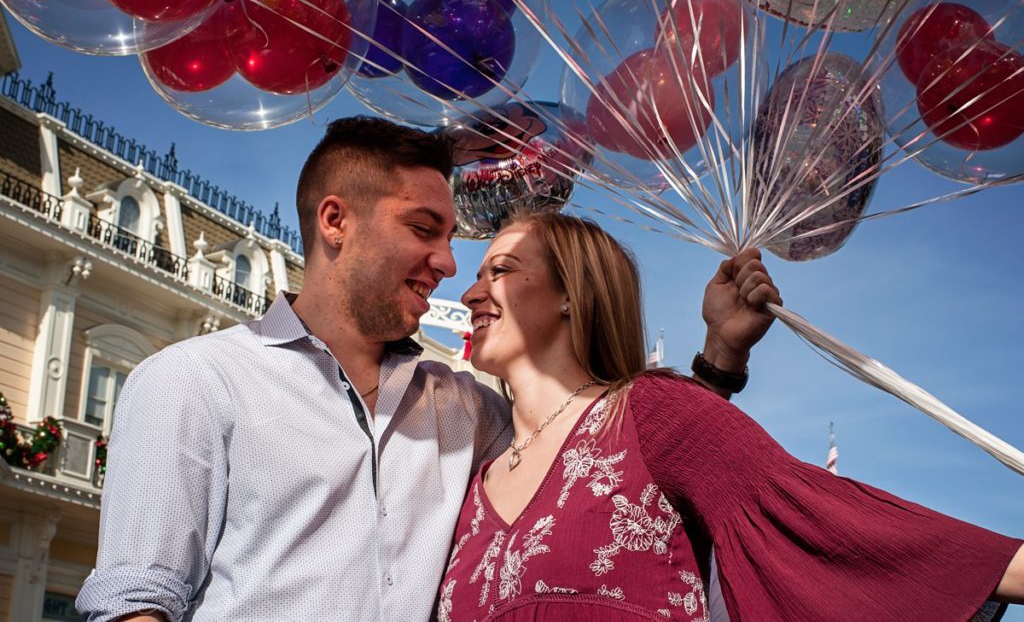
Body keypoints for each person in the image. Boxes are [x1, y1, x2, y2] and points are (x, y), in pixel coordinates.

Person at [75, 117, 768, 622]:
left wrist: (719, 361)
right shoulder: (192, 381)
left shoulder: (467, 410)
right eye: (423, 228)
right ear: (336, 221)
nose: (447, 262)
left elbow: (609, 459)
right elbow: (135, 600)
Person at [440, 211, 1024, 621]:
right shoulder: (467, 486)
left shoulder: (651, 414)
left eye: (501, 270)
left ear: (574, 292)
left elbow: (830, 524)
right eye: (476, 273)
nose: (471, 292)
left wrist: (1002, 568)